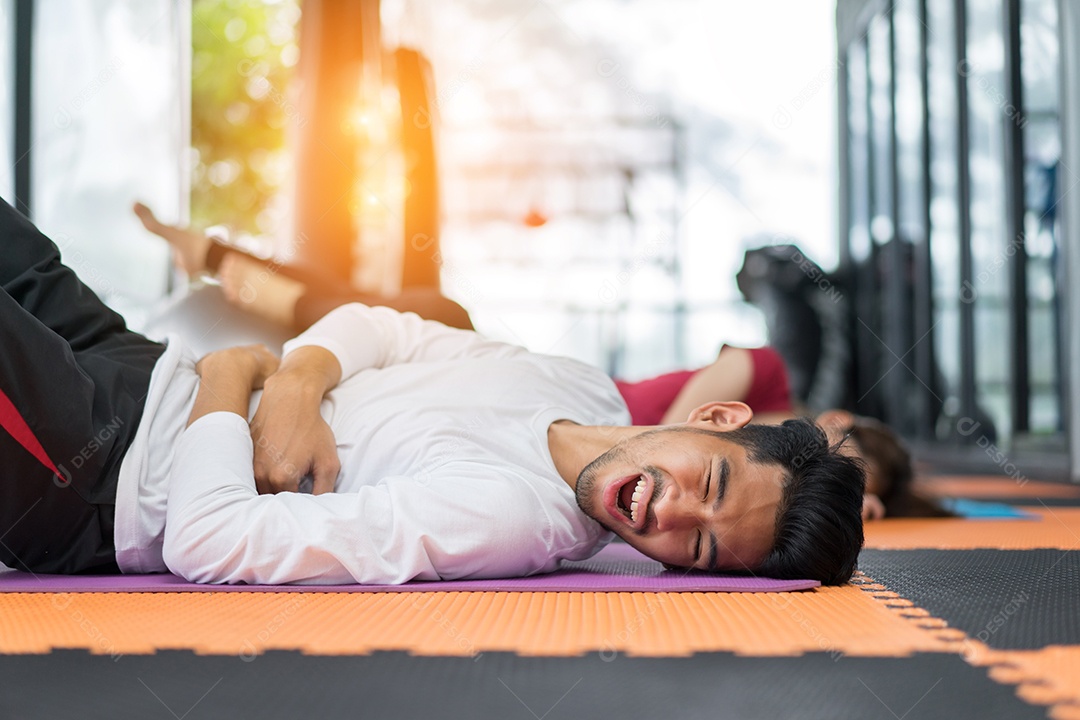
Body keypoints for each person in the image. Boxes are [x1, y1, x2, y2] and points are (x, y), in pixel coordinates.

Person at [1, 199, 865, 585]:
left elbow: (208, 538)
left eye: (704, 552)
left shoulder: (510, 520)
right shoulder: (580, 383)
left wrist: (232, 377)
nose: (673, 520)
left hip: (103, 479)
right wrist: (299, 380)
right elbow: (388, 329)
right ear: (714, 420)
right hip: (143, 369)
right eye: (710, 486)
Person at [135, 204, 930, 520]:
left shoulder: (745, 497)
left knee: (407, 308)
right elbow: (696, 400)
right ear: (834, 423)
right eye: (848, 455)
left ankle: (230, 267)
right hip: (576, 405)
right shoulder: (758, 382)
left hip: (553, 431)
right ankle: (226, 263)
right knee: (405, 311)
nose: (838, 469)